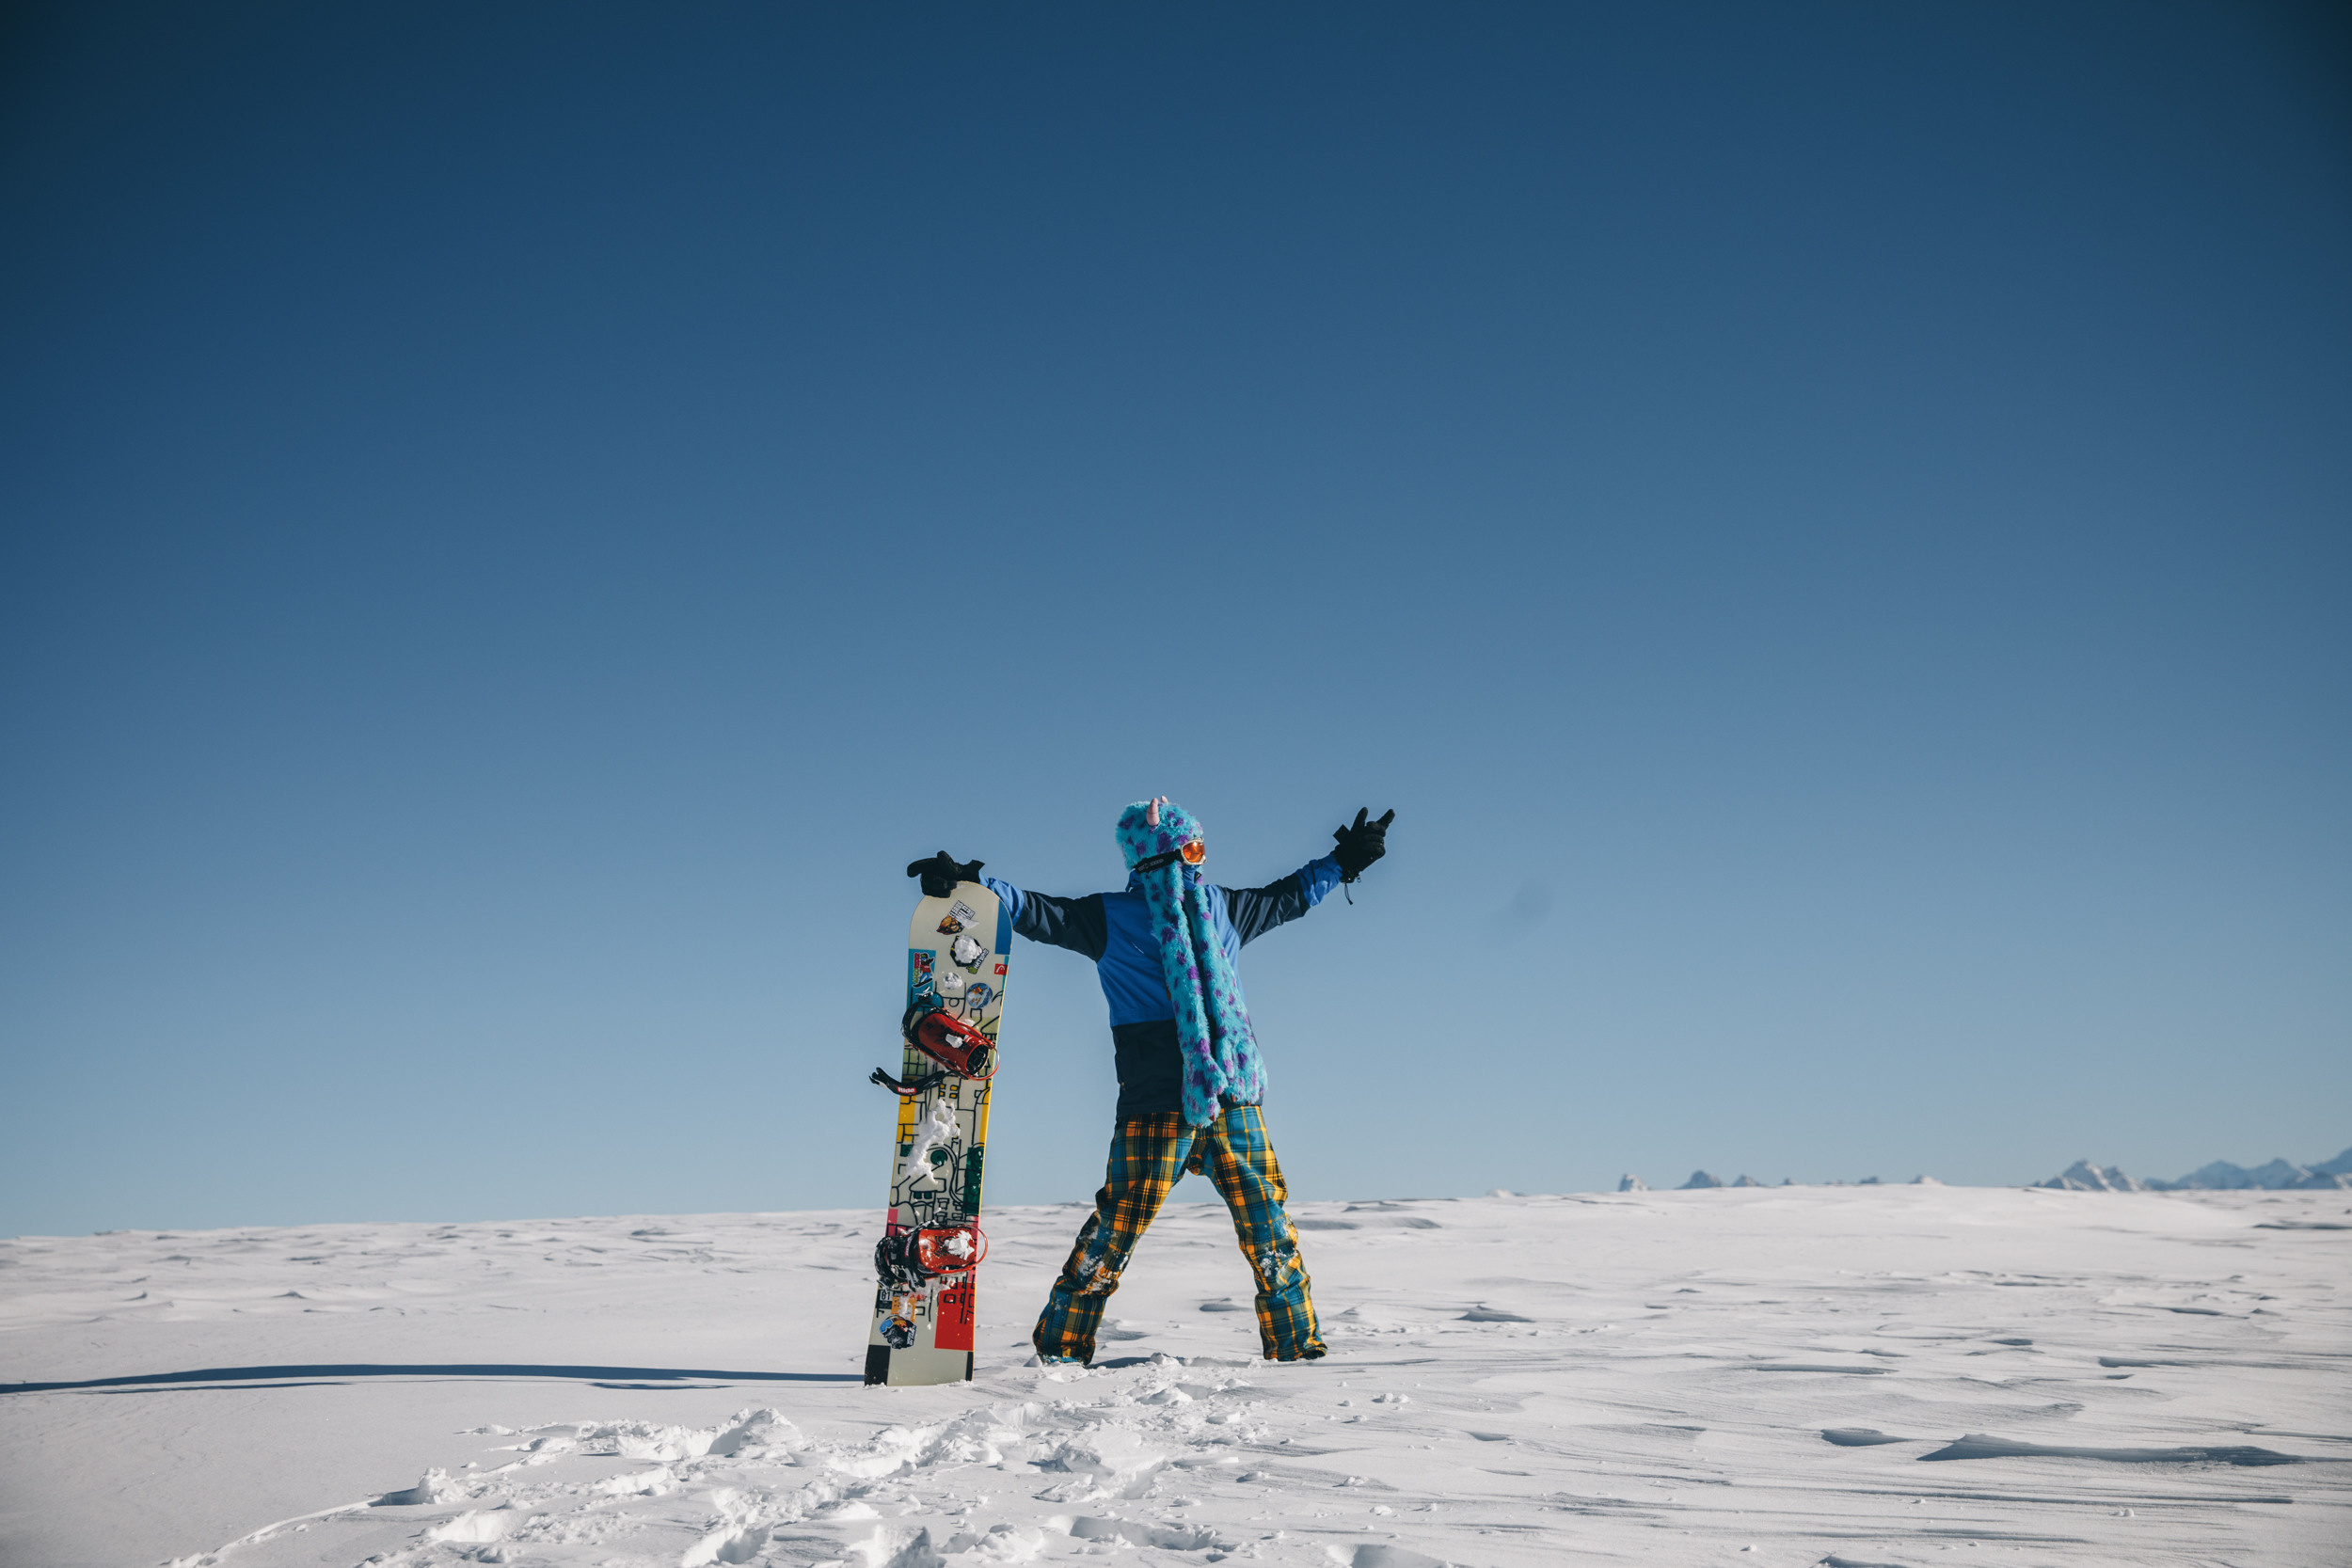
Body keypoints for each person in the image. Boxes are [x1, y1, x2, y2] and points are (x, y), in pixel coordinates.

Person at [907, 799, 1394, 1365]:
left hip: (1234, 1101)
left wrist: (1346, 859)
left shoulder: (1221, 910)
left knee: (1270, 1229)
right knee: (1114, 1232)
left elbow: (1290, 896)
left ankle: (1298, 1348)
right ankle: (1061, 1350)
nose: (1200, 861)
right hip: (1156, 1105)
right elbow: (1036, 910)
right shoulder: (1110, 917)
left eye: (1202, 849)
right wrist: (973, 883)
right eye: (1191, 849)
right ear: (1159, 857)